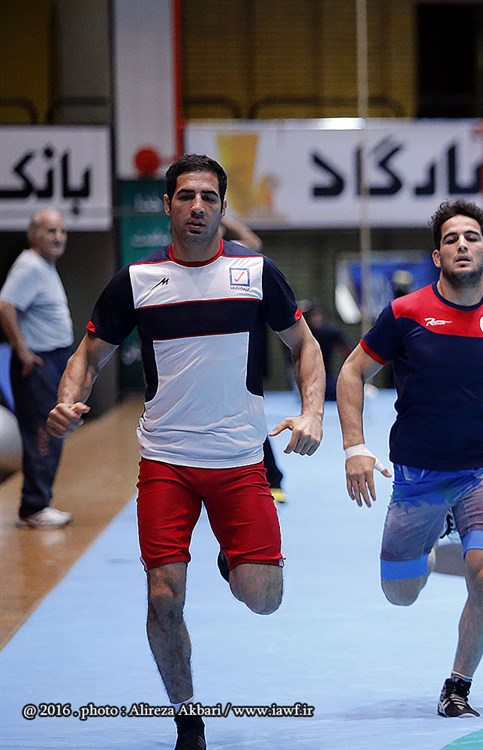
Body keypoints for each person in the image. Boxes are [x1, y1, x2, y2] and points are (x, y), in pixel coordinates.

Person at [46, 154, 325, 750]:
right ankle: (187, 717)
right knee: (163, 596)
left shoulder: (256, 272)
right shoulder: (136, 280)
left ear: (222, 208)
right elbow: (88, 355)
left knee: (263, 598)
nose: (197, 206)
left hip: (240, 461)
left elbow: (305, 345)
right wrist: (69, 400)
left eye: (208, 197)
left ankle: (234, 562)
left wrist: (312, 413)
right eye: (185, 196)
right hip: (166, 462)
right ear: (167, 205)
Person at [337, 199, 483, 719]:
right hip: (417, 478)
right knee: (400, 592)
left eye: (471, 237)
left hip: (481, 471)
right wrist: (355, 447)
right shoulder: (405, 314)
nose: (462, 245)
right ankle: (431, 539)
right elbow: (351, 372)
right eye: (451, 239)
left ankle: (458, 685)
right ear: (437, 256)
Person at [0, 209, 75, 529]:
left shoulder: (43, 265)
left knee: (52, 430)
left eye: (62, 231)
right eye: (50, 231)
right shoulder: (30, 265)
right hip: (38, 363)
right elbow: (5, 305)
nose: (58, 237)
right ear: (34, 235)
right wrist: (22, 350)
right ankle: (34, 507)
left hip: (52, 360)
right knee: (44, 432)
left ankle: (37, 503)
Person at [219, 215, 288, 503]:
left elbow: (253, 241)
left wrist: (223, 215)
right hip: (202, 356)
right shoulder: (182, 262)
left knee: (249, 416)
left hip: (241, 354)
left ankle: (272, 477)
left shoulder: (236, 257)